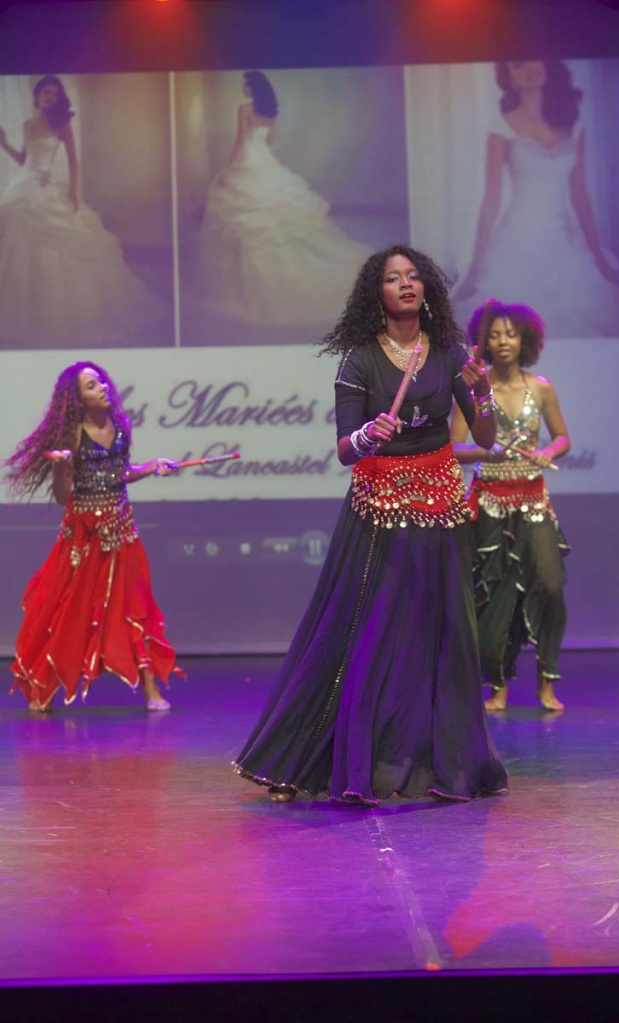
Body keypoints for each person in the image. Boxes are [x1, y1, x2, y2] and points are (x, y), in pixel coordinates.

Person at [234, 245, 508, 804]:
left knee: (444, 633)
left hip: (439, 509)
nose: (406, 284)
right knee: (365, 632)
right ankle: (314, 760)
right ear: (375, 294)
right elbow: (344, 449)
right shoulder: (359, 360)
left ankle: (440, 763)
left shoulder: (450, 353)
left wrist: (482, 393)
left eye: (413, 276)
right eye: (392, 278)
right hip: (379, 511)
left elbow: (484, 438)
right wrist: (367, 436)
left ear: (426, 288)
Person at [4, 361, 183, 711]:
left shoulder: (120, 427)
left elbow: (120, 473)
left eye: (100, 381)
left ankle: (151, 692)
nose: (101, 387)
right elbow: (62, 496)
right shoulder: (71, 437)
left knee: (136, 607)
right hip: (83, 538)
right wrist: (59, 468)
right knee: (69, 610)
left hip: (122, 532)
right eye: (91, 385)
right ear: (78, 399)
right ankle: (42, 687)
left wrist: (151, 467)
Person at [452, 60, 619, 337]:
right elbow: (491, 200)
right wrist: (474, 270)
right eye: (517, 66)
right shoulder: (501, 126)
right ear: (509, 79)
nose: (528, 69)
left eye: (534, 58)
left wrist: (598, 255)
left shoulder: (573, 123)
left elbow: (579, 194)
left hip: (563, 237)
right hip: (517, 238)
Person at [451, 300, 571, 712]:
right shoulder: (472, 390)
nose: (503, 341)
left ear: (525, 339)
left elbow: (562, 438)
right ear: (482, 342)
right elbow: (454, 447)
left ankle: (546, 682)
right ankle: (497, 686)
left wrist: (547, 451)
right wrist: (486, 451)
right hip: (488, 504)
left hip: (534, 501)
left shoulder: (541, 387)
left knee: (550, 585)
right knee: (493, 595)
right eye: (495, 334)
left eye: (511, 334)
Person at [0, 75, 165, 347]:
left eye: (55, 94)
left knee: (61, 242)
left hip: (46, 187)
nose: (50, 98)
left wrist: (73, 193)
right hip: (23, 186)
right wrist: (4, 143)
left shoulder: (61, 123)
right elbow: (24, 160)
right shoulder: (28, 124)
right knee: (16, 240)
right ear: (37, 95)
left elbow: (73, 161)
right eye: (46, 92)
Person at [198, 70, 368, 326]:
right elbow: (270, 141)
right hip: (263, 160)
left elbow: (240, 142)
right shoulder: (272, 113)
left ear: (253, 87)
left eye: (246, 84)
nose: (243, 88)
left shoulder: (244, 109)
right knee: (273, 216)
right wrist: (256, 150)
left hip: (247, 160)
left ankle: (256, 280)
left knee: (246, 217)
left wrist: (226, 169)